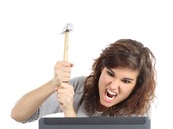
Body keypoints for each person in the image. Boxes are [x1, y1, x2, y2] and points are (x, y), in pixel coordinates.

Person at [11, 39, 156, 122]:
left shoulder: (138, 111)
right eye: (110, 74)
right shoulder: (81, 87)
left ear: (137, 86)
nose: (113, 86)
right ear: (101, 69)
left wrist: (68, 109)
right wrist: (53, 83)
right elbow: (18, 114)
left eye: (125, 81)